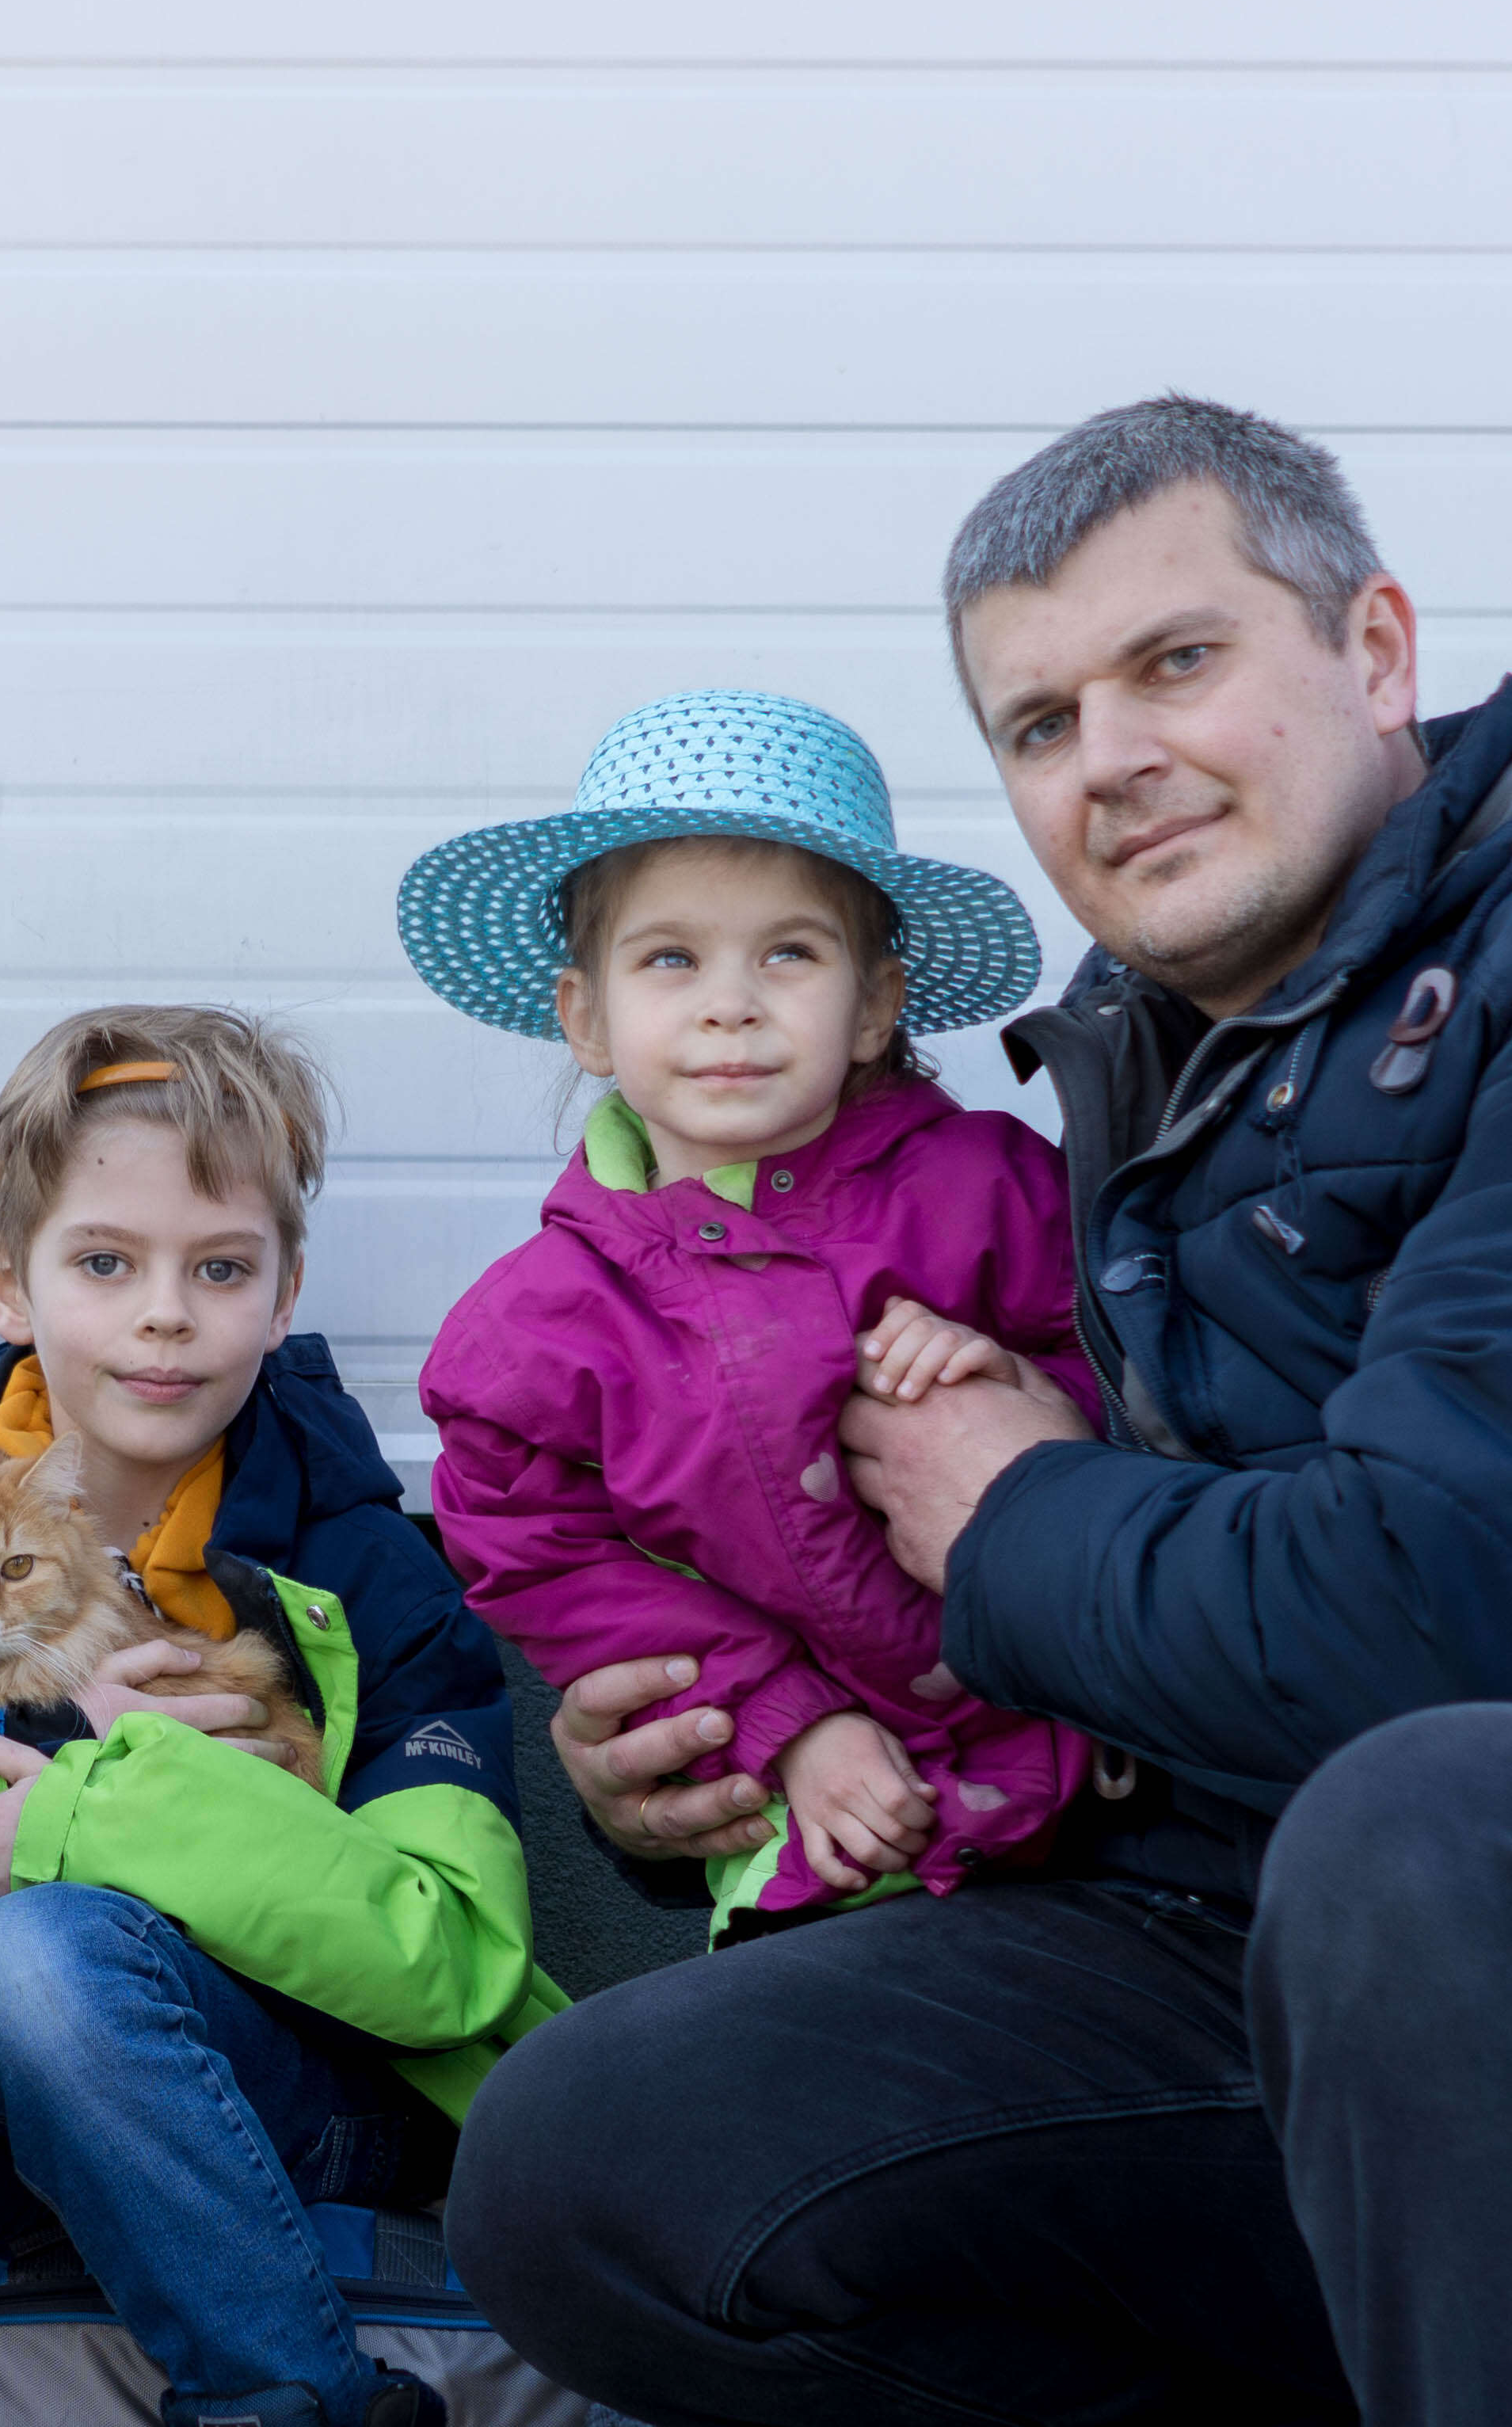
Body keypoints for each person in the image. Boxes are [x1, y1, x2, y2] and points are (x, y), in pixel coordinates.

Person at [445, 398, 1512, 2426]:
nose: (1116, 756)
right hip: (1254, 1961)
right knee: (596, 2163)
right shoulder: (1138, 1077)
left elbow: (1461, 1611)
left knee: (1444, 1817)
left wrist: (1007, 1517)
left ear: (1378, 649)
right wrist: (741, 1729)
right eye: (1043, 723)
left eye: (1176, 660)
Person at [0, 1007, 560, 2427]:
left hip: (281, 2095)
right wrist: (14, 1706)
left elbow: (451, 1961)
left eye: (220, 1268)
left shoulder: (366, 1569)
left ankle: (291, 2402)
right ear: (9, 1282)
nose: (164, 1315)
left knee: (37, 1952)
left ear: (284, 1286)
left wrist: (95, 1817)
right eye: (103, 1262)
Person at [396, 690, 1101, 1921]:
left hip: (1095, 1782)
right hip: (813, 1845)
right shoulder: (536, 1333)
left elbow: (1146, 1369)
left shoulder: (989, 1188)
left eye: (790, 952)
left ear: (874, 1007)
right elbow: (549, 1562)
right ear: (586, 1018)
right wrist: (785, 1723)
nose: (731, 1001)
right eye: (670, 958)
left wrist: (1030, 1386)